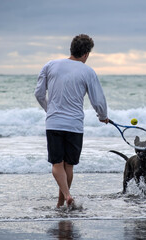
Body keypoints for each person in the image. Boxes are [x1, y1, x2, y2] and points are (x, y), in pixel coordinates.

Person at [34, 34, 108, 208]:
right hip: (75, 125)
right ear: (86, 54)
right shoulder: (87, 71)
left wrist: (49, 109)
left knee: (56, 163)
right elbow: (97, 100)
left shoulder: (50, 65)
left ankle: (63, 199)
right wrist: (102, 116)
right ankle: (65, 197)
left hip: (54, 123)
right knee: (69, 166)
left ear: (71, 49)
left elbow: (38, 93)